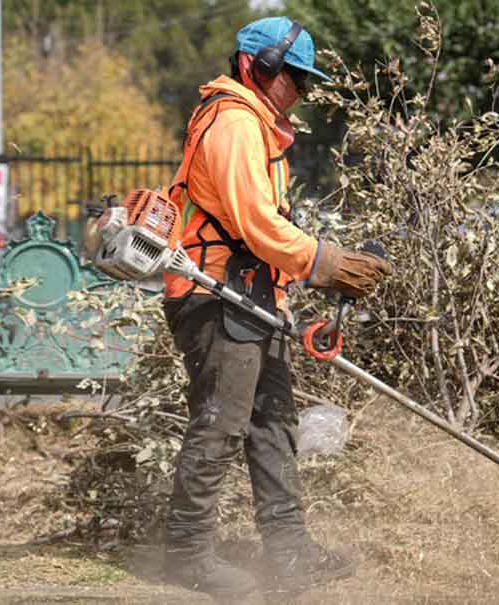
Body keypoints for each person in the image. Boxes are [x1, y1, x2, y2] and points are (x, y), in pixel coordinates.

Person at [158, 16, 392, 599]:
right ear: (255, 66)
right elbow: (256, 224)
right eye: (292, 76)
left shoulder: (260, 127)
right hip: (214, 297)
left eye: (304, 81)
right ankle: (186, 555)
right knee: (220, 425)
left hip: (251, 298)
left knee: (273, 426)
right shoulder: (235, 123)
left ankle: (289, 554)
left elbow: (266, 228)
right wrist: (325, 262)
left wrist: (310, 271)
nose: (298, 89)